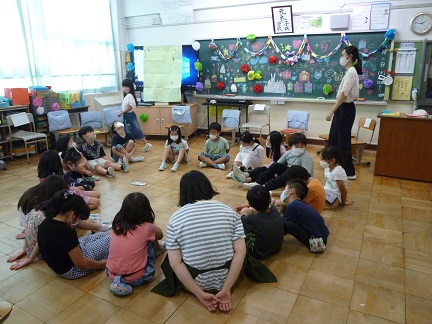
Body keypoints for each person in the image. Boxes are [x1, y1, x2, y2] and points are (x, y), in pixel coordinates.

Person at [165, 171, 246, 311]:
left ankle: (199, 291)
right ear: (208, 187)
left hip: (196, 280)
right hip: (228, 276)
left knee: (170, 256)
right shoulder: (229, 212)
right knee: (238, 247)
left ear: (183, 192)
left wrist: (200, 294)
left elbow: (175, 263)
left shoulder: (175, 219)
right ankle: (225, 288)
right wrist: (226, 288)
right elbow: (241, 252)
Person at [7, 175, 108, 270]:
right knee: (109, 239)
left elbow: (37, 237)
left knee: (104, 236)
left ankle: (105, 231)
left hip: (42, 251)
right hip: (62, 261)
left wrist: (26, 253)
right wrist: (104, 264)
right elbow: (80, 262)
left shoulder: (43, 213)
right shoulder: (62, 229)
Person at [37, 189, 110, 279]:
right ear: (72, 215)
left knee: (107, 234)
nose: (78, 221)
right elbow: (81, 262)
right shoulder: (66, 232)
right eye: (78, 219)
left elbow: (40, 243)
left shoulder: (46, 222)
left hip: (63, 260)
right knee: (111, 238)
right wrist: (102, 264)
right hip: (72, 269)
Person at [106, 192, 165, 296]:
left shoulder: (117, 225)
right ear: (146, 211)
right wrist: (151, 225)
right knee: (150, 240)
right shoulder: (147, 227)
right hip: (137, 277)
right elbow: (160, 235)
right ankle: (159, 248)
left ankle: (118, 282)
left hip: (111, 273)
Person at [325, 45, 362, 180]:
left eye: (343, 55)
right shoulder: (350, 72)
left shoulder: (352, 72)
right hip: (343, 109)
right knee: (335, 138)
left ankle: (349, 171)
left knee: (342, 140)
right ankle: (336, 168)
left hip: (345, 109)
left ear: (349, 57)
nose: (341, 57)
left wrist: (331, 111)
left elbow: (343, 94)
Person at [234, 133, 314, 191]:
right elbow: (277, 164)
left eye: (302, 146)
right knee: (274, 166)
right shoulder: (289, 153)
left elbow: (307, 175)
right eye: (296, 146)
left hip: (298, 178)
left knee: (288, 172)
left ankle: (265, 187)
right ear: (291, 146)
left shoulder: (306, 157)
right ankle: (258, 183)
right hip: (288, 173)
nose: (299, 148)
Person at [234, 186, 284, 259]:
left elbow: (236, 218)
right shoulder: (274, 209)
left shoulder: (250, 219)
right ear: (270, 200)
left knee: (237, 231)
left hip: (259, 253)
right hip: (277, 248)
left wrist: (241, 211)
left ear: (250, 204)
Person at [280, 179, 330, 248]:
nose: (283, 193)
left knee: (286, 223)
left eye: (285, 190)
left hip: (317, 243)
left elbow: (285, 225)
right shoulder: (300, 204)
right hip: (322, 238)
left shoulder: (293, 206)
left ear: (291, 191)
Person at [118, 78, 152, 152]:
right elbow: (124, 106)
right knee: (128, 131)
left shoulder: (130, 96)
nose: (125, 88)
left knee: (136, 130)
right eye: (124, 87)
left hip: (130, 115)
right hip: (126, 116)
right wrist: (121, 111)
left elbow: (130, 107)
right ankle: (131, 145)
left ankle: (146, 144)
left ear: (130, 87)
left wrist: (122, 112)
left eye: (127, 87)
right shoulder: (126, 96)